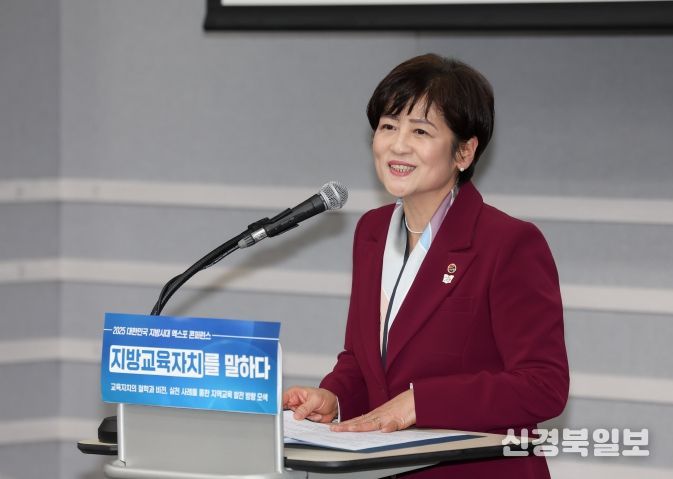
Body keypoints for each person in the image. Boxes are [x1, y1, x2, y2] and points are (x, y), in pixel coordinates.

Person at [283, 54, 569, 478]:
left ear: (464, 152)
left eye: (420, 131)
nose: (398, 145)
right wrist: (334, 398)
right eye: (388, 126)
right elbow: (364, 360)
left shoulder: (507, 243)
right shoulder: (371, 232)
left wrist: (420, 402)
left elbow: (543, 385)